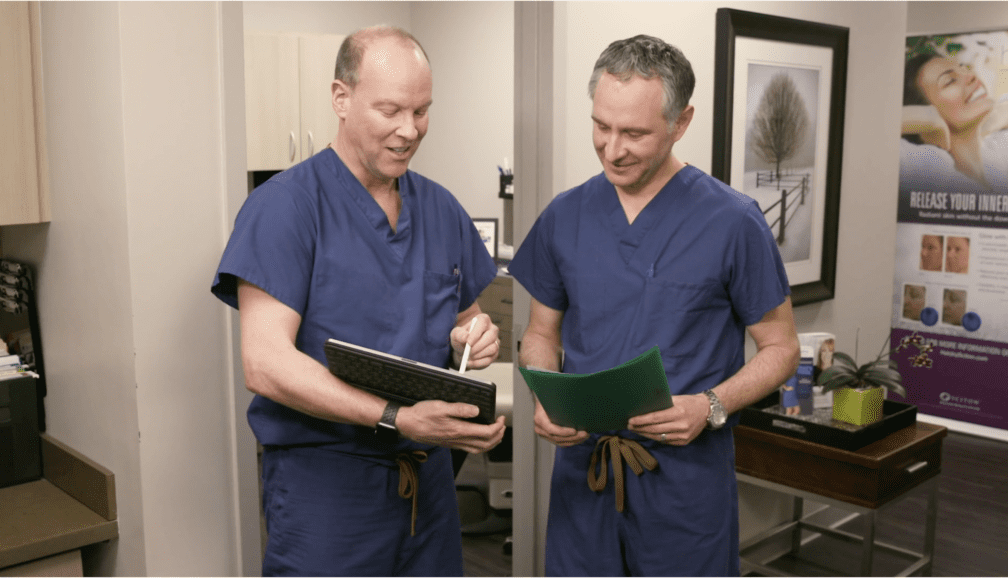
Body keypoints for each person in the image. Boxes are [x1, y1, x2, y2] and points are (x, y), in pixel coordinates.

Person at [211, 25, 506, 576]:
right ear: (340, 98)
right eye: (390, 109)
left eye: (421, 111)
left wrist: (474, 336)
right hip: (328, 489)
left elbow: (465, 321)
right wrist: (397, 417)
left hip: (429, 487)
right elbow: (266, 363)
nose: (408, 130)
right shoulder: (285, 209)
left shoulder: (441, 209)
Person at [508, 35, 800, 576]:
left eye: (634, 133)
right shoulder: (563, 216)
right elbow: (540, 334)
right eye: (601, 126)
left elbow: (781, 348)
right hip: (583, 477)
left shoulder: (733, 222)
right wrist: (544, 395)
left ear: (680, 122)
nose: (612, 148)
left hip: (684, 485)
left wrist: (710, 405)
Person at [900, 52, 1008, 193]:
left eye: (964, 69)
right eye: (950, 81)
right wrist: (930, 118)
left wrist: (991, 120)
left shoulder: (997, 151)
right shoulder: (925, 168)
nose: (972, 76)